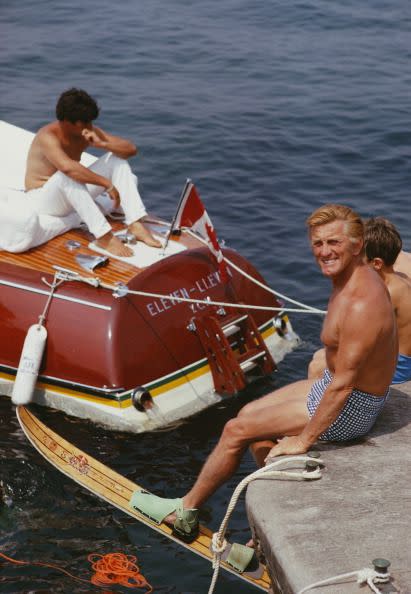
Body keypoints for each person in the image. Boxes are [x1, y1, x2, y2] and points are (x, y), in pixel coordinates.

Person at [130, 204, 398, 541]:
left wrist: (303, 440)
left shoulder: (361, 302)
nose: (325, 252)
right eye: (317, 243)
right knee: (249, 415)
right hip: (335, 387)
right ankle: (267, 525)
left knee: (234, 429)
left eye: (334, 242)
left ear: (357, 245)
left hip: (353, 406)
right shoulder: (349, 276)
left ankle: (184, 511)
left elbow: (344, 386)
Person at [25, 88, 161, 257]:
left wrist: (102, 144)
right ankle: (104, 236)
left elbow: (130, 150)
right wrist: (107, 184)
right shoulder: (47, 136)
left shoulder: (87, 131)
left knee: (116, 160)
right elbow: (68, 168)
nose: (90, 127)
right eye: (85, 122)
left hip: (70, 194)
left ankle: (135, 223)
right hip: (43, 200)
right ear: (68, 122)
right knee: (67, 174)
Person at [309, 216, 411, 384]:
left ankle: (317, 408)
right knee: (321, 355)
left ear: (377, 263)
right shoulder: (399, 277)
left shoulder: (387, 294)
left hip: (396, 370)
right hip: (400, 359)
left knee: (317, 365)